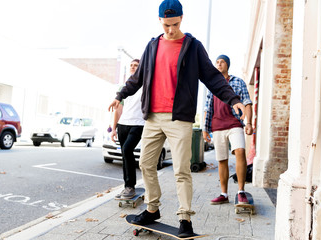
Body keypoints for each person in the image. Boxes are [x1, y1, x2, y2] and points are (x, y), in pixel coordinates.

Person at [108, 0, 246, 237]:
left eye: (174, 24)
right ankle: (152, 209)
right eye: (166, 25)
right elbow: (138, 78)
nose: (170, 30)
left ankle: (185, 218)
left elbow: (212, 77)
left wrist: (233, 99)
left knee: (181, 169)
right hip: (152, 118)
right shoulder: (152, 46)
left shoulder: (192, 47)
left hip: (179, 119)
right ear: (159, 20)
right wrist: (120, 95)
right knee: (146, 164)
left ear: (182, 18)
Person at [203, 55, 253, 206]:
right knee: (222, 160)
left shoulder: (238, 82)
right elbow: (207, 108)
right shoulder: (212, 84)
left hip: (234, 124)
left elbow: (247, 103)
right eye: (217, 62)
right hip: (217, 126)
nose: (219, 64)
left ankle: (241, 191)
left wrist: (249, 122)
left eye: (222, 62)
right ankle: (224, 194)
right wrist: (205, 129)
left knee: (240, 152)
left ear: (227, 65)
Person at [111, 59, 144, 199]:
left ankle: (130, 186)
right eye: (131, 65)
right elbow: (118, 109)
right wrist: (113, 128)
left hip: (138, 123)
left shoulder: (145, 85)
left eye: (136, 65)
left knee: (127, 149)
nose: (132, 67)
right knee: (125, 156)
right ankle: (127, 187)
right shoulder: (124, 87)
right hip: (123, 124)